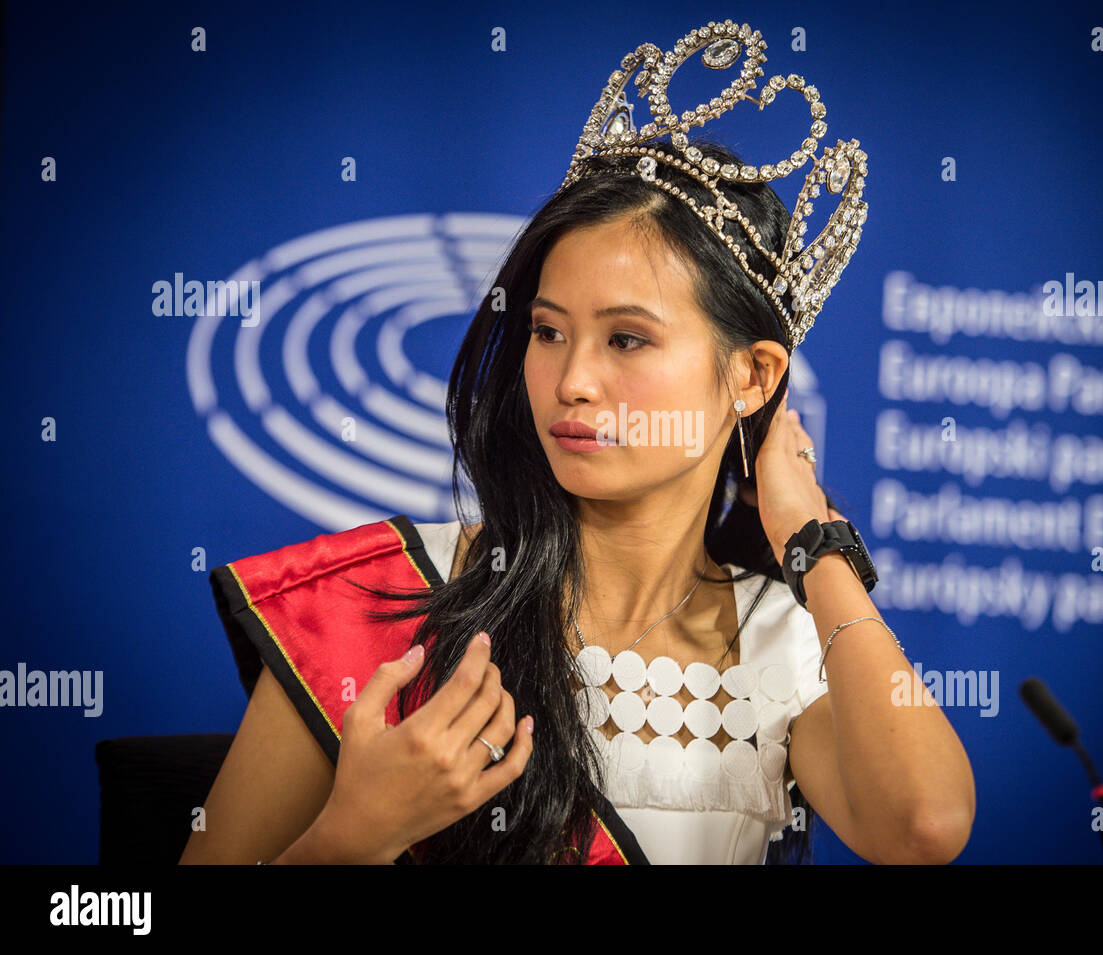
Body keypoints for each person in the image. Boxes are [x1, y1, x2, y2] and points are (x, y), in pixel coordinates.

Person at [180, 17, 975, 866]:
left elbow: (923, 826)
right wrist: (353, 837)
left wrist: (812, 543)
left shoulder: (783, 641)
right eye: (548, 331)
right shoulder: (390, 597)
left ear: (752, 377)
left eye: (626, 339)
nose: (572, 382)